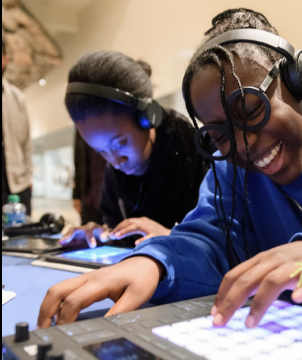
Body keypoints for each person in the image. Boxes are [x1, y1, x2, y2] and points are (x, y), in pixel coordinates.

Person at [37, 9, 302, 339]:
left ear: (299, 79)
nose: (245, 145)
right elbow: (210, 242)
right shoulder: (233, 174)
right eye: (219, 134)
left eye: (250, 110)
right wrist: (156, 263)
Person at [59, 50, 209, 248]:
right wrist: (105, 235)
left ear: (148, 118)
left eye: (120, 144)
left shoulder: (200, 152)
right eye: (101, 151)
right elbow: (118, 230)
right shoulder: (114, 173)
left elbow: (228, 240)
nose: (115, 161)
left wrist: (171, 236)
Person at [2, 35, 33, 215]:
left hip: (17, 185)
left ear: (6, 58)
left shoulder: (17, 97)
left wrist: (28, 177)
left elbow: (26, 142)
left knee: (22, 237)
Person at [72, 129, 106, 225]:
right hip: (89, 196)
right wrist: (76, 194)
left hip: (114, 195)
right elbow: (78, 160)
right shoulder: (80, 125)